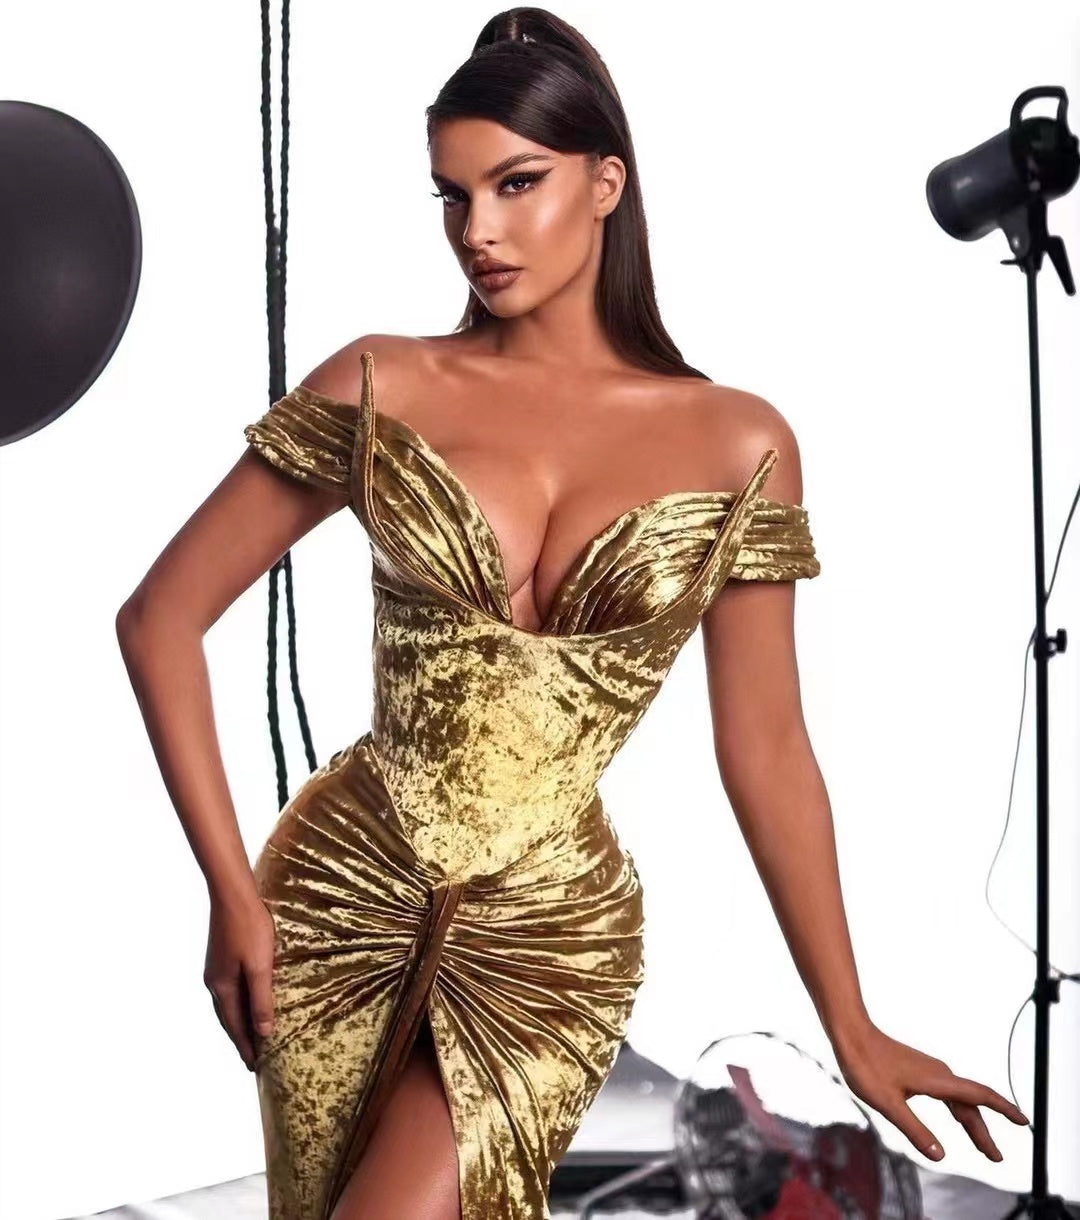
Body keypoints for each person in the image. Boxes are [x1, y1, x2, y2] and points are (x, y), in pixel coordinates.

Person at [116, 8, 1029, 1219]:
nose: (478, 232)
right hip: (339, 897)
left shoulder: (738, 441)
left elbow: (766, 748)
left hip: (547, 934)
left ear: (606, 183)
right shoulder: (385, 381)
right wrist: (230, 889)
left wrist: (850, 1022)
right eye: (452, 196)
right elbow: (160, 617)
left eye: (516, 184)